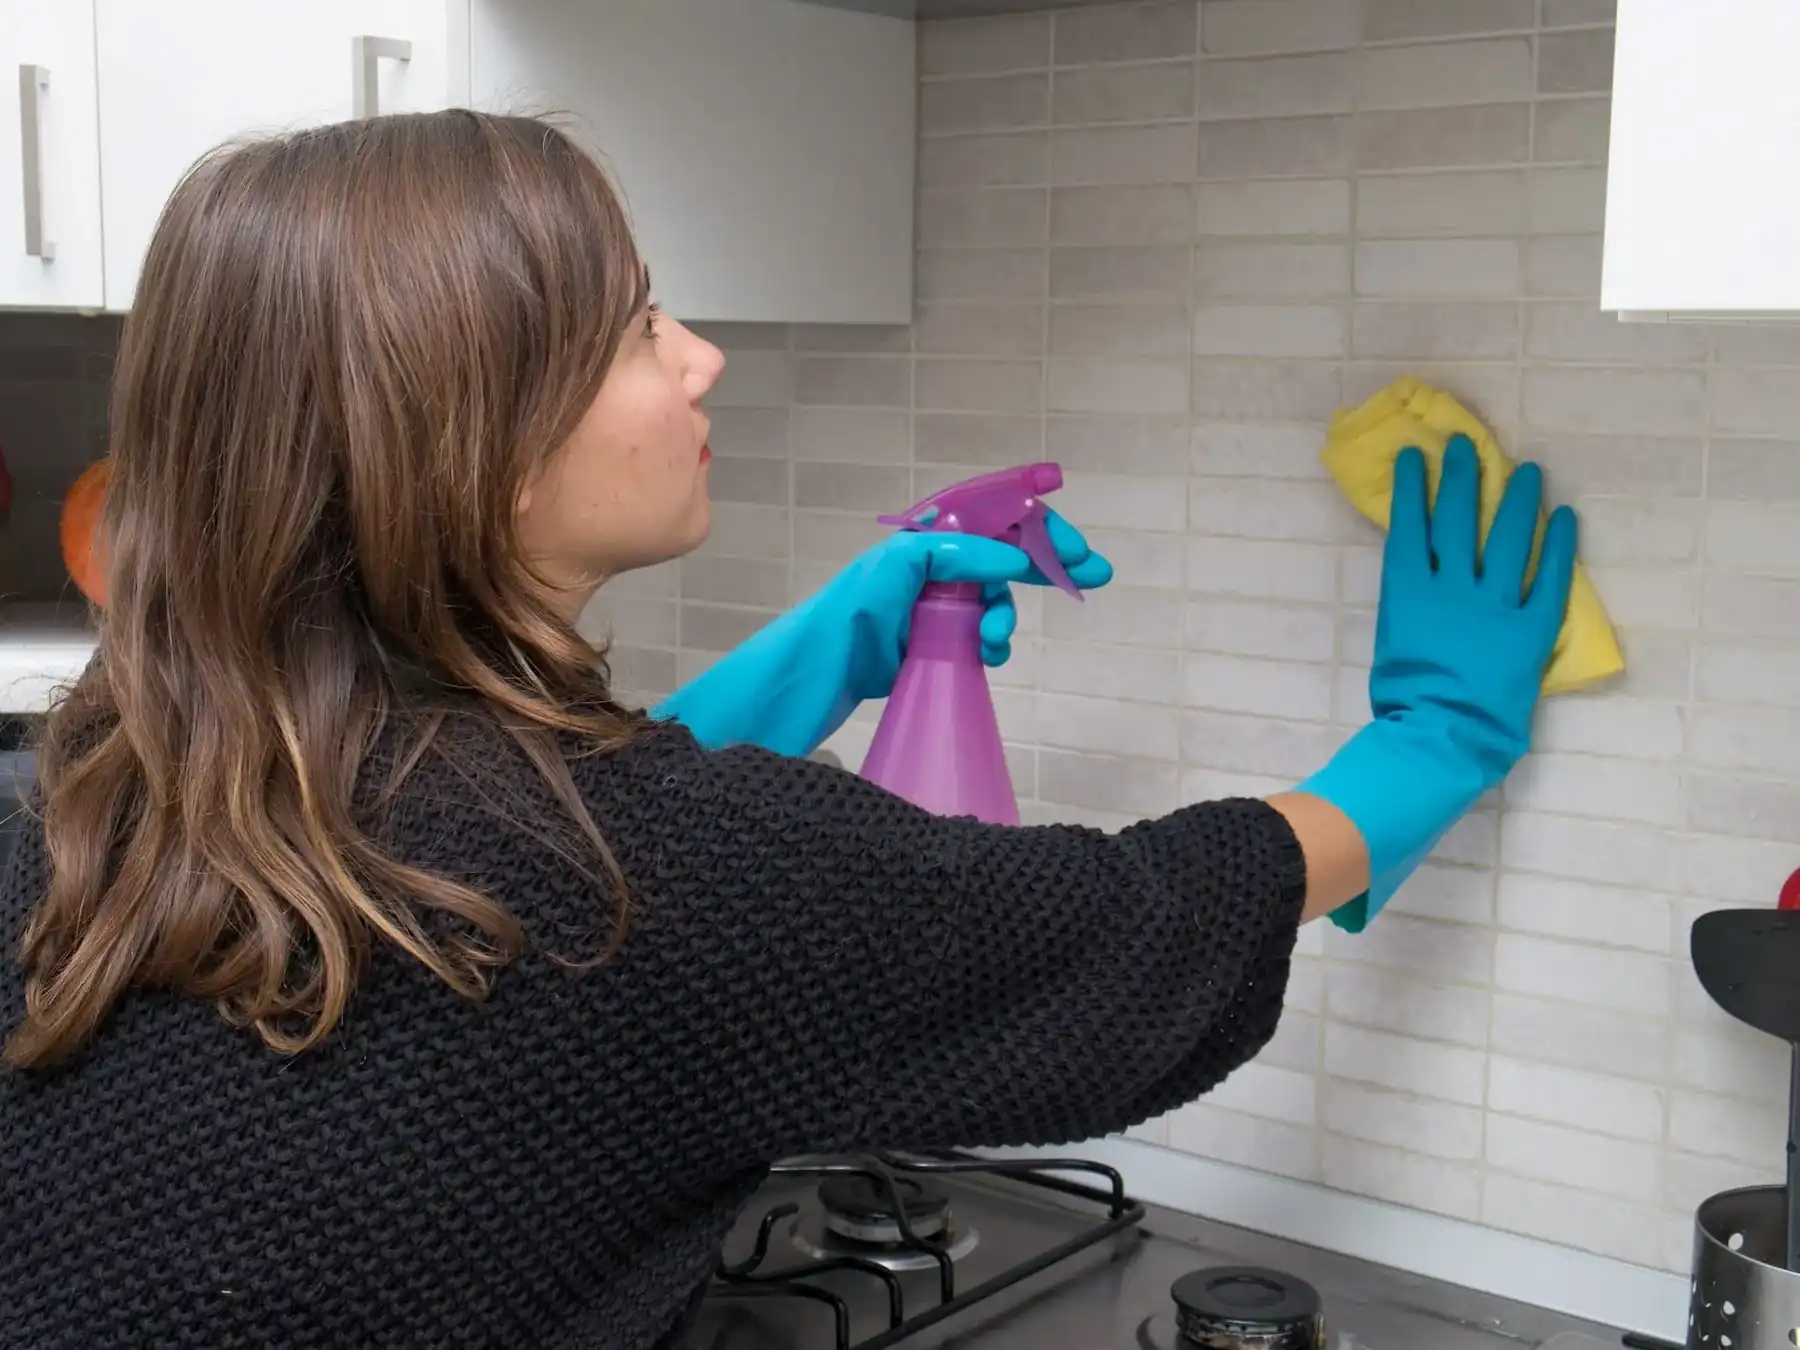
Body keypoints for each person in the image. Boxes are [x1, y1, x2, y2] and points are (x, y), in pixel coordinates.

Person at [0, 111, 1577, 1350]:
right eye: (636, 328)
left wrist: (834, 647)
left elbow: (494, 868)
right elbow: (1138, 922)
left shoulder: (81, 796)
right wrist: (1432, 740)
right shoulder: (682, 885)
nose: (703, 357)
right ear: (479, 454)